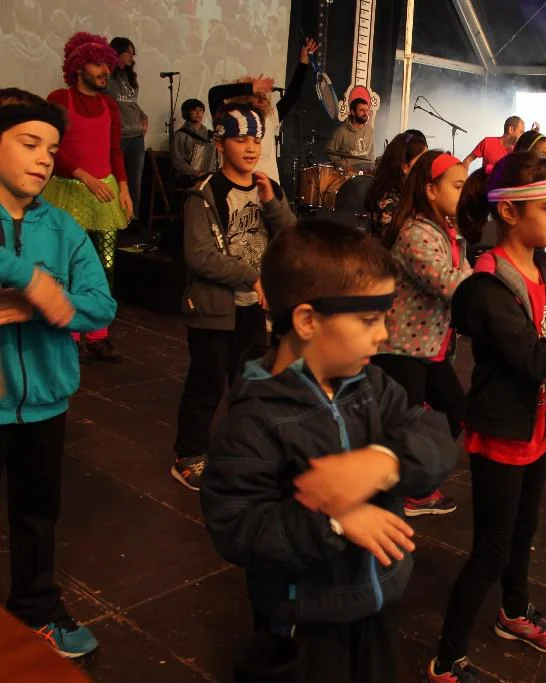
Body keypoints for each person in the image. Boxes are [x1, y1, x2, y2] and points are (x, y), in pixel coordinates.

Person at [201, 219, 458, 683]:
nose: (384, 334)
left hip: (377, 601)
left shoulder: (371, 385)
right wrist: (335, 521)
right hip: (305, 624)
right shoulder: (253, 417)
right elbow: (238, 527)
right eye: (369, 320)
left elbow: (434, 435)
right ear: (307, 320)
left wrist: (385, 461)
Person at [426, 152, 546, 683]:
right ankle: (446, 660)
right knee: (490, 550)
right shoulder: (486, 285)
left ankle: (513, 612)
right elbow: (532, 359)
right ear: (509, 212)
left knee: (524, 529)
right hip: (501, 432)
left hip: (537, 426)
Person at [0, 87, 116, 657]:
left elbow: (101, 305)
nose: (44, 159)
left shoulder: (65, 229)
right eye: (29, 143)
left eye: (51, 148)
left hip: (46, 402)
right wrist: (30, 278)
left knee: (36, 517)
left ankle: (36, 609)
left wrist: (43, 302)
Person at [171, 103, 298, 491]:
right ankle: (189, 455)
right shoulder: (204, 194)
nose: (250, 147)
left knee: (250, 385)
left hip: (254, 310)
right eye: (240, 139)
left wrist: (272, 204)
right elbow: (200, 255)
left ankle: (240, 452)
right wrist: (251, 276)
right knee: (207, 383)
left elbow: (291, 239)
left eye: (256, 139)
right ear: (220, 143)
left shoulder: (267, 188)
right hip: (214, 308)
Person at [373, 150, 469, 517]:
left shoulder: (445, 230)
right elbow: (449, 283)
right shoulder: (415, 232)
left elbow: (463, 273)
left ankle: (414, 484)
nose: (463, 194)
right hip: (400, 348)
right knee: (403, 427)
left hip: (427, 347)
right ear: (431, 189)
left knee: (454, 410)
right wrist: (487, 275)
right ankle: (395, 497)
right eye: (457, 186)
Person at [44, 32, 132, 363]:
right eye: (97, 64)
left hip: (104, 196)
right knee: (64, 266)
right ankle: (67, 333)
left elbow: (114, 151)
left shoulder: (109, 105)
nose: (105, 71)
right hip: (68, 195)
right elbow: (52, 148)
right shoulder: (59, 99)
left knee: (104, 266)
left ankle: (98, 334)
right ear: (79, 66)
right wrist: (83, 176)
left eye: (107, 65)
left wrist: (123, 187)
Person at [208, 37, 319, 184]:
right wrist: (250, 87)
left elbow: (292, 95)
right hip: (234, 190)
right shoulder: (229, 116)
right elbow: (214, 94)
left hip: (267, 191)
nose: (261, 96)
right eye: (256, 93)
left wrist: (303, 63)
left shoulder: (269, 116)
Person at [106, 37, 147, 218]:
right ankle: (113, 218)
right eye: (128, 52)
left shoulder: (130, 77)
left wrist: (143, 116)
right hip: (117, 136)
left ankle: (132, 219)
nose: (132, 56)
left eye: (133, 53)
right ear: (117, 53)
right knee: (115, 179)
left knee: (134, 181)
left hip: (136, 136)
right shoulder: (106, 77)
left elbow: (131, 103)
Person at [363, 129, 427, 239]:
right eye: (422, 161)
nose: (428, 166)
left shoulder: (409, 192)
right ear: (404, 166)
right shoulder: (388, 203)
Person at [171, 98, 219, 188]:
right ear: (187, 113)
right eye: (194, 110)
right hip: (187, 177)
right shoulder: (180, 134)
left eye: (201, 110)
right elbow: (177, 161)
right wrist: (194, 172)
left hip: (207, 176)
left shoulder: (210, 135)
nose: (198, 113)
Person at [325, 97, 375, 170]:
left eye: (366, 110)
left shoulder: (370, 130)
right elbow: (329, 152)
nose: (365, 113)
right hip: (349, 171)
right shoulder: (342, 131)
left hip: (366, 169)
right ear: (353, 112)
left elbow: (371, 154)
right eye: (361, 110)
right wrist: (342, 164)